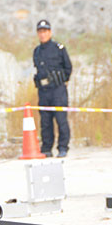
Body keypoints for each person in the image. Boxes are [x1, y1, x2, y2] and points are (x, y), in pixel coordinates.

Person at [33, 19, 72, 158]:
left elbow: (68, 68)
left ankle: (63, 147)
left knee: (61, 120)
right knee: (45, 121)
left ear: (50, 32)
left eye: (45, 31)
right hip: (43, 91)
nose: (42, 34)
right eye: (40, 32)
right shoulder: (37, 51)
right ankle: (46, 148)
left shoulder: (59, 48)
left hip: (58, 91)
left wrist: (60, 80)